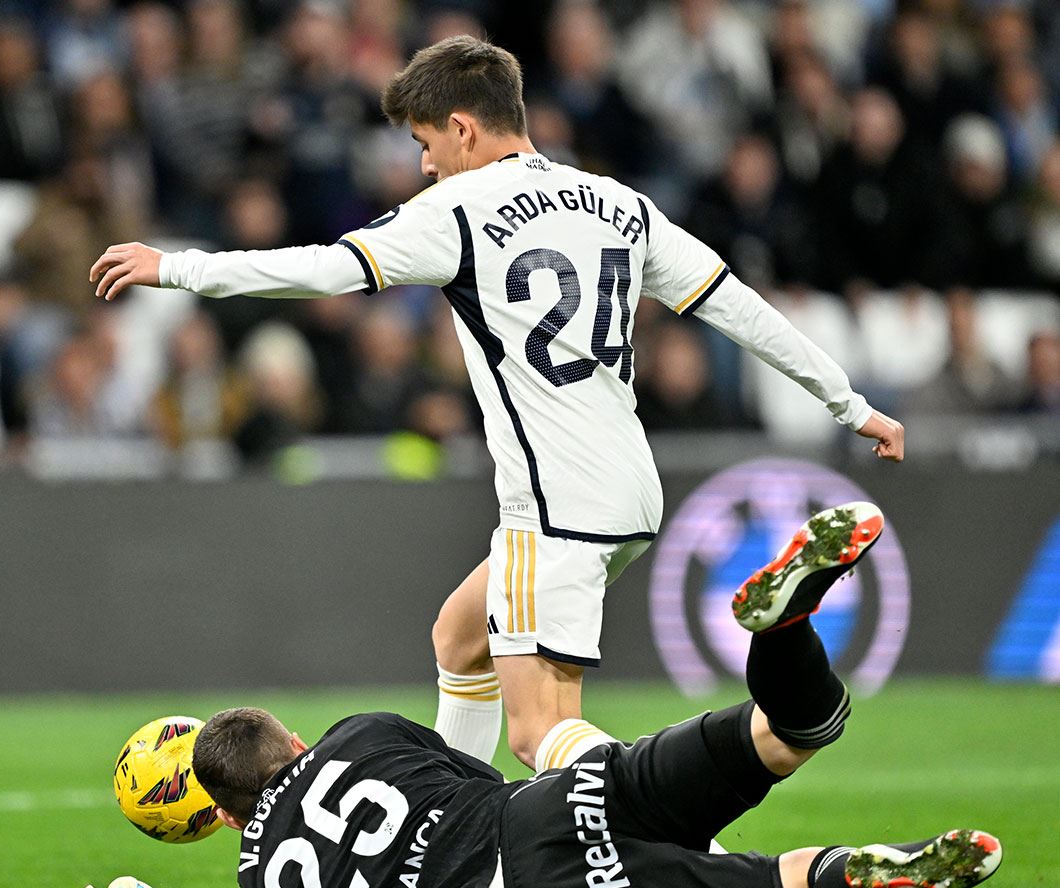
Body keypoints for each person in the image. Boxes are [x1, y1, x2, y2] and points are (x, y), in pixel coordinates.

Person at [88, 36, 905, 772]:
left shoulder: (456, 211)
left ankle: (695, 855)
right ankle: (447, 826)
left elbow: (323, 268)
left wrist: (180, 268)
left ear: (464, 128)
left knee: (542, 738)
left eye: (424, 143)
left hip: (549, 506)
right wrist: (851, 405)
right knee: (459, 636)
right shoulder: (618, 202)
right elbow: (737, 306)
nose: (424, 166)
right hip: (629, 490)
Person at [85, 504, 1002, 888]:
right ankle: (789, 631)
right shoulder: (362, 734)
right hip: (555, 803)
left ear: (233, 816)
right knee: (784, 736)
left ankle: (865, 868)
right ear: (292, 744)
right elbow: (457, 752)